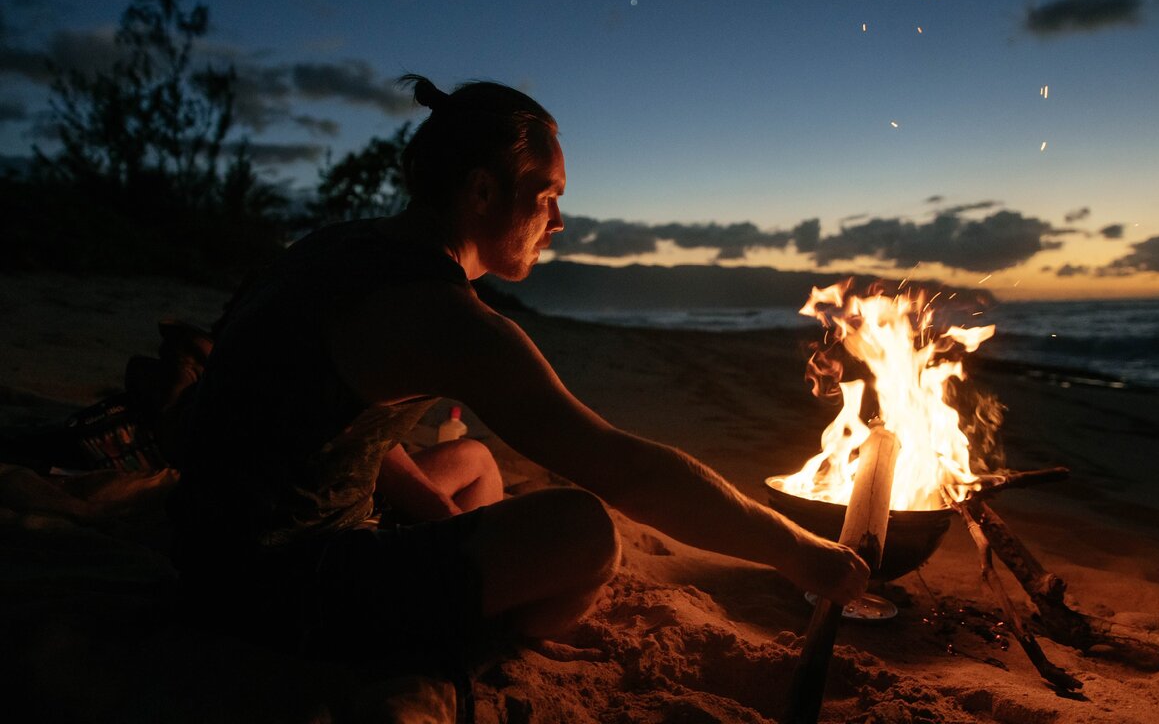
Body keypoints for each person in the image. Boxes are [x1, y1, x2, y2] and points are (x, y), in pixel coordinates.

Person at [168, 74, 868, 666]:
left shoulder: (340, 247)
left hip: (212, 538)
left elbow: (323, 426)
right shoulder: (445, 320)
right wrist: (796, 551)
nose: (558, 221)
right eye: (546, 194)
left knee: (474, 460)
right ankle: (485, 636)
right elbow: (625, 470)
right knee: (586, 532)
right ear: (479, 193)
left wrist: (437, 521)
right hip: (271, 587)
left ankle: (451, 592)